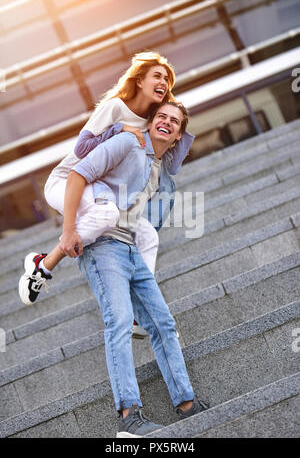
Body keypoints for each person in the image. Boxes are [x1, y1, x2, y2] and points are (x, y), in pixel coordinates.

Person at [18, 52, 194, 339]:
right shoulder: (115, 107)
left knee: (148, 234)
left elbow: (172, 163)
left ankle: (139, 312)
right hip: (68, 182)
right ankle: (43, 263)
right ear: (139, 80)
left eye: (168, 80)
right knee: (107, 214)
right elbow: (82, 149)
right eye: (158, 76)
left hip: (102, 192)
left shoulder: (155, 118)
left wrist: (174, 116)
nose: (164, 81)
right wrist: (118, 128)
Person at [61, 101, 209, 438]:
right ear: (150, 121)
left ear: (178, 135)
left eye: (174, 122)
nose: (166, 123)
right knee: (120, 323)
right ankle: (128, 416)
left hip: (130, 247)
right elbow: (78, 172)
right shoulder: (128, 143)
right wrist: (69, 230)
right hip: (103, 247)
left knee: (162, 323)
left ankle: (187, 403)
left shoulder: (161, 171)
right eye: (161, 117)